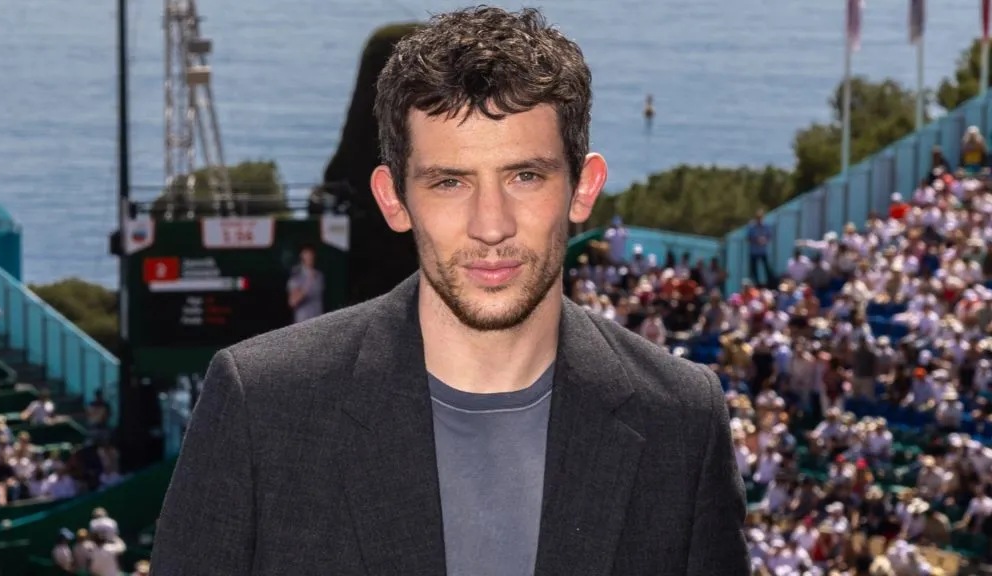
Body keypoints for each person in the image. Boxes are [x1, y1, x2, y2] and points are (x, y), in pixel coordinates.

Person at [151, 7, 749, 576]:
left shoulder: (681, 419)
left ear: (584, 187)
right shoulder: (263, 407)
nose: (491, 224)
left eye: (525, 176)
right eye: (449, 182)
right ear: (394, 199)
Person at [286, 244, 325, 323]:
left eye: (311, 254)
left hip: (318, 322)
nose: (309, 257)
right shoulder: (296, 276)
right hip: (303, 322)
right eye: (306, 254)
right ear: (302, 256)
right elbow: (292, 302)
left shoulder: (319, 276)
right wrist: (308, 283)